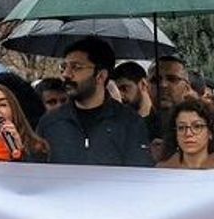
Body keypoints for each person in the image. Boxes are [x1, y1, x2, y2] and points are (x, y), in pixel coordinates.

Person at [36, 38, 152, 167]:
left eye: (76, 67)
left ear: (100, 76)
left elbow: (139, 171)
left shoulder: (129, 122)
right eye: (64, 67)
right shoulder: (50, 122)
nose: (66, 74)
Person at [156, 98, 214, 169]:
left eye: (197, 126)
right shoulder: (162, 171)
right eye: (181, 127)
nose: (188, 133)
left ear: (210, 132)